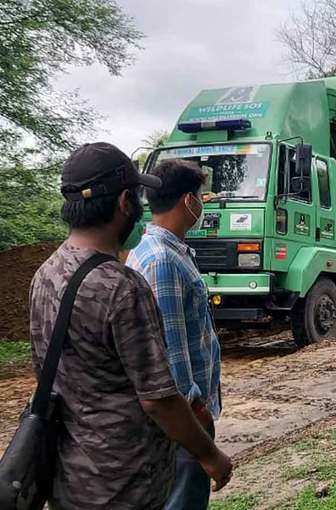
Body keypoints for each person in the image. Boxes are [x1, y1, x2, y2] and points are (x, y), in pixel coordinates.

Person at [29, 143, 233, 510]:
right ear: (125, 202)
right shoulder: (120, 286)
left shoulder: (45, 274)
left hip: (69, 473)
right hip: (124, 480)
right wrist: (210, 454)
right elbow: (158, 398)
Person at [127, 158, 222, 510]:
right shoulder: (163, 261)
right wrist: (198, 417)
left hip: (181, 419)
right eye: (201, 196)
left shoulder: (155, 251)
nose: (202, 203)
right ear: (188, 201)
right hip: (185, 422)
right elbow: (171, 355)